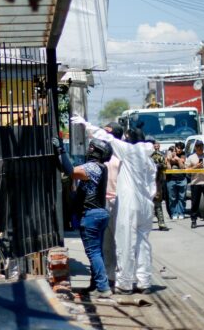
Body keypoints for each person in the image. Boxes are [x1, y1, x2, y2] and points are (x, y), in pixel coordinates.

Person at [71, 115, 156, 295]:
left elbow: (106, 137)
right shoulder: (150, 159)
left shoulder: (129, 151)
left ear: (130, 140)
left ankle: (125, 284)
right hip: (147, 205)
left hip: (129, 203)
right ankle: (144, 282)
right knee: (143, 244)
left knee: (125, 243)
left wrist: (86, 124)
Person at [52, 136, 114, 298]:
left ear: (98, 152)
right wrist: (59, 155)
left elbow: (71, 172)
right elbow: (67, 169)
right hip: (99, 214)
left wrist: (61, 150)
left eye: (92, 148)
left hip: (92, 215)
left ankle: (103, 287)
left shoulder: (93, 167)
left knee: (93, 252)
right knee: (96, 252)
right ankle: (95, 285)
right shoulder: (99, 167)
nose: (89, 149)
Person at [102, 121, 123, 286]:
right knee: (106, 241)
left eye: (108, 133)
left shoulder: (123, 154)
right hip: (103, 201)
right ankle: (110, 276)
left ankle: (124, 276)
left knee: (121, 241)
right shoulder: (103, 152)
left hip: (119, 201)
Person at [148, 137, 169, 231]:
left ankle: (161, 223)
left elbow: (165, 166)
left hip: (156, 181)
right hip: (145, 183)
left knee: (157, 202)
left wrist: (159, 166)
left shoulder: (159, 155)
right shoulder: (143, 154)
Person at [165, 142, 187, 220]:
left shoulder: (183, 154)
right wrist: (169, 159)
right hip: (171, 179)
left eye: (181, 149)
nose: (179, 150)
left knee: (182, 197)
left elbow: (182, 167)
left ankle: (181, 213)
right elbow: (169, 167)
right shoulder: (169, 152)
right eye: (178, 148)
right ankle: (174, 213)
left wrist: (177, 159)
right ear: (175, 148)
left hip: (181, 179)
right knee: (172, 198)